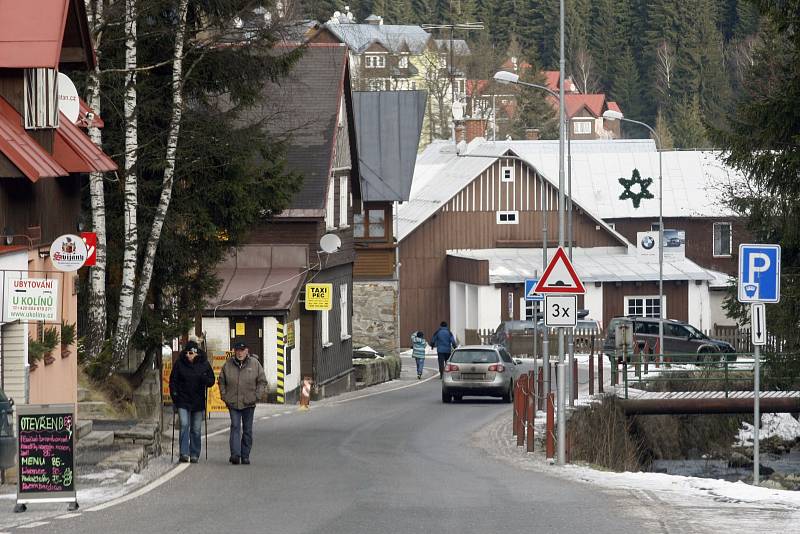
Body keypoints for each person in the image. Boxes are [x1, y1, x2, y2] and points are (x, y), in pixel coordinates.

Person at [218, 341, 267, 465]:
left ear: (247, 351)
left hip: (249, 402)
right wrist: (224, 395)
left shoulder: (255, 364)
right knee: (235, 426)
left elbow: (262, 381)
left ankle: (245, 455)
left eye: (242, 350)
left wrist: (257, 395)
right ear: (234, 351)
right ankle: (235, 454)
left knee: (247, 429)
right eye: (238, 350)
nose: (240, 353)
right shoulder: (228, 364)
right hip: (233, 402)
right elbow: (221, 380)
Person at [169, 340, 215, 463]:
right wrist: (175, 396)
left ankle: (194, 453)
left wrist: (204, 378)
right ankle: (184, 453)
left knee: (196, 428)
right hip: (183, 400)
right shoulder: (179, 363)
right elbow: (173, 380)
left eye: (191, 353)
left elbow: (211, 381)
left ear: (196, 353)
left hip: (198, 401)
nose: (188, 355)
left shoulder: (204, 364)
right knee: (184, 425)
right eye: (187, 353)